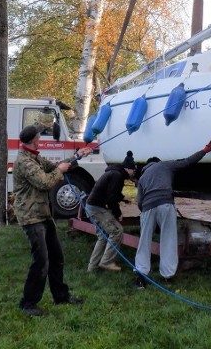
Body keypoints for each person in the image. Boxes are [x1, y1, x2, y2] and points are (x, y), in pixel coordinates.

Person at [14, 124, 92, 316]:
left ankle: (61, 296)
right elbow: (46, 181)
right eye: (40, 135)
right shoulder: (25, 162)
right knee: (41, 261)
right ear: (35, 138)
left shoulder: (35, 157)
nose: (41, 137)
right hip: (31, 217)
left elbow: (56, 167)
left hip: (43, 214)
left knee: (56, 257)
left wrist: (77, 156)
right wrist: (61, 171)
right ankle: (28, 304)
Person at [134, 139, 211, 288]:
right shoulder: (165, 165)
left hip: (147, 206)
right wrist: (205, 150)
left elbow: (139, 202)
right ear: (157, 162)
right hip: (166, 203)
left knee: (144, 241)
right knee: (168, 239)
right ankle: (167, 277)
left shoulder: (142, 177)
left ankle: (141, 277)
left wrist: (149, 216)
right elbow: (187, 162)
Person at [84, 151, 137, 272]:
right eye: (133, 170)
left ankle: (92, 268)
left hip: (91, 206)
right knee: (117, 231)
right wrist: (118, 213)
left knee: (103, 236)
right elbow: (111, 199)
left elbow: (111, 193)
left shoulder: (114, 173)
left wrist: (123, 198)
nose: (134, 172)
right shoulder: (117, 176)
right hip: (97, 208)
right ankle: (107, 262)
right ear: (128, 169)